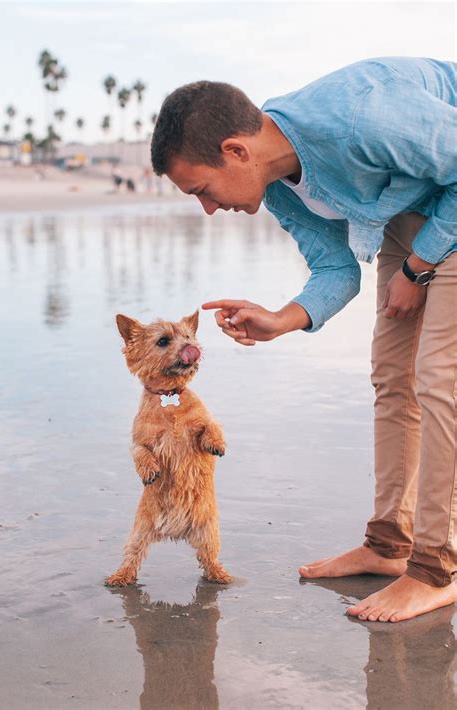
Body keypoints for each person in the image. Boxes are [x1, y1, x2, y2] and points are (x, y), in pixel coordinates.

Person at [150, 57, 457, 623]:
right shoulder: (279, 185)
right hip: (422, 205)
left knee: (439, 377)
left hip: (452, 197)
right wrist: (281, 318)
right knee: (394, 377)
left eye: (204, 190)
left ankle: (437, 569)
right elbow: (337, 269)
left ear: (236, 151)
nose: (210, 209)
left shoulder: (366, 117)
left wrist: (416, 269)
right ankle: (391, 545)